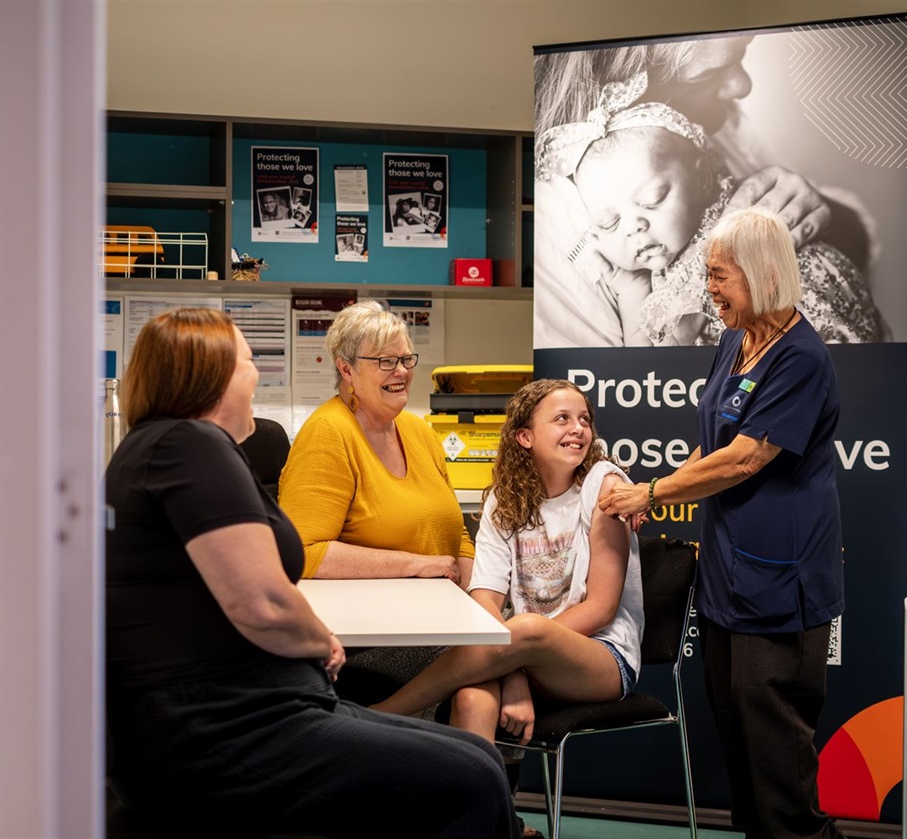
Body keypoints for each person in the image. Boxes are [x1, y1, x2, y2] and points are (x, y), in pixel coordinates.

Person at [105, 307, 518, 839]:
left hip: (233, 713)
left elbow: (255, 580)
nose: (258, 376)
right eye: (250, 362)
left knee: (472, 759)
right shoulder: (189, 446)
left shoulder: (166, 448)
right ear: (212, 374)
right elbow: (261, 600)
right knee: (471, 778)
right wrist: (316, 637)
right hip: (224, 729)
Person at [597, 208, 846, 839]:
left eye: (718, 276)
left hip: (779, 584)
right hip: (726, 581)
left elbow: (745, 458)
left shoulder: (802, 358)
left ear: (761, 275)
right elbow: (713, 446)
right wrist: (658, 493)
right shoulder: (735, 343)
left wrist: (650, 490)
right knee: (739, 746)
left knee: (777, 764)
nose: (708, 288)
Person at [532, 36, 881, 348]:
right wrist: (633, 291)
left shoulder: (704, 132)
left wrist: (810, 211)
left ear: (703, 176)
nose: (742, 86)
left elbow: (863, 233)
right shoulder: (561, 221)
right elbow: (647, 378)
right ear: (621, 78)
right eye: (703, 76)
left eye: (654, 200)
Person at [370, 379, 644, 755]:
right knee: (470, 698)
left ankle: (382, 714)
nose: (578, 428)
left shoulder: (605, 487)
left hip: (600, 657)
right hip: (518, 651)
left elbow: (600, 609)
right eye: (561, 419)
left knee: (527, 627)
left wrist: (518, 654)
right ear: (525, 437)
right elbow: (485, 600)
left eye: (584, 419)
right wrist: (514, 668)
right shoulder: (505, 500)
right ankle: (486, 812)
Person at [279, 301, 471, 698]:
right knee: (489, 678)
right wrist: (414, 565)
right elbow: (301, 552)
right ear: (346, 369)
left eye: (405, 359)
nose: (401, 371)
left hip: (444, 622)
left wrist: (480, 617)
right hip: (373, 640)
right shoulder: (329, 434)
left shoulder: (420, 432)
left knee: (502, 662)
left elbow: (459, 538)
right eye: (385, 361)